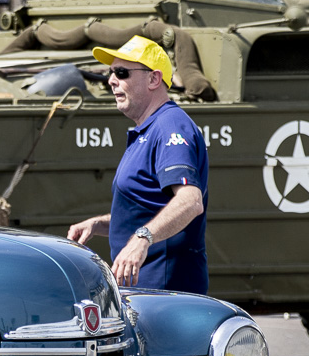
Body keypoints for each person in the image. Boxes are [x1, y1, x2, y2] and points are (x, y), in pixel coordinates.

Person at [65, 35, 209, 291]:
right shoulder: (148, 129)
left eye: (122, 72)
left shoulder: (170, 125)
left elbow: (190, 201)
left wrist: (142, 238)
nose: (111, 81)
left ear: (154, 79)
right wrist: (101, 224)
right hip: (143, 291)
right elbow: (150, 209)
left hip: (164, 294)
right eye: (109, 73)